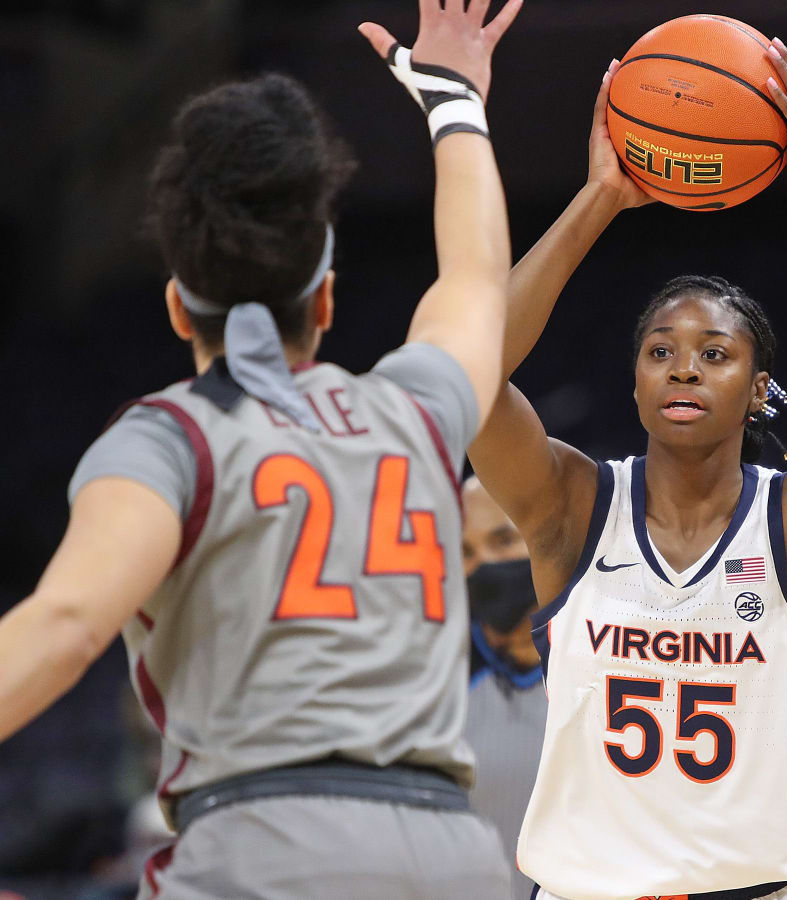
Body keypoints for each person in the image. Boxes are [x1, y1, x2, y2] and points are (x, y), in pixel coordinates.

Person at [0, 0, 523, 897]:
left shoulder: (167, 438)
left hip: (264, 848)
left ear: (177, 305)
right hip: (451, 859)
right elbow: (475, 280)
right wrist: (454, 104)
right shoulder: (419, 409)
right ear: (324, 300)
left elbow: (66, 625)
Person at [469, 37, 787, 900]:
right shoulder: (575, 507)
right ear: (634, 383)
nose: (685, 367)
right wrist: (598, 199)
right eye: (660, 350)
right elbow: (466, 372)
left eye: (715, 352)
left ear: (758, 389)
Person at [462, 475, 549, 900]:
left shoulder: (626, 673)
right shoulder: (445, 704)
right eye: (465, 552)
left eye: (502, 541)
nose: (483, 567)